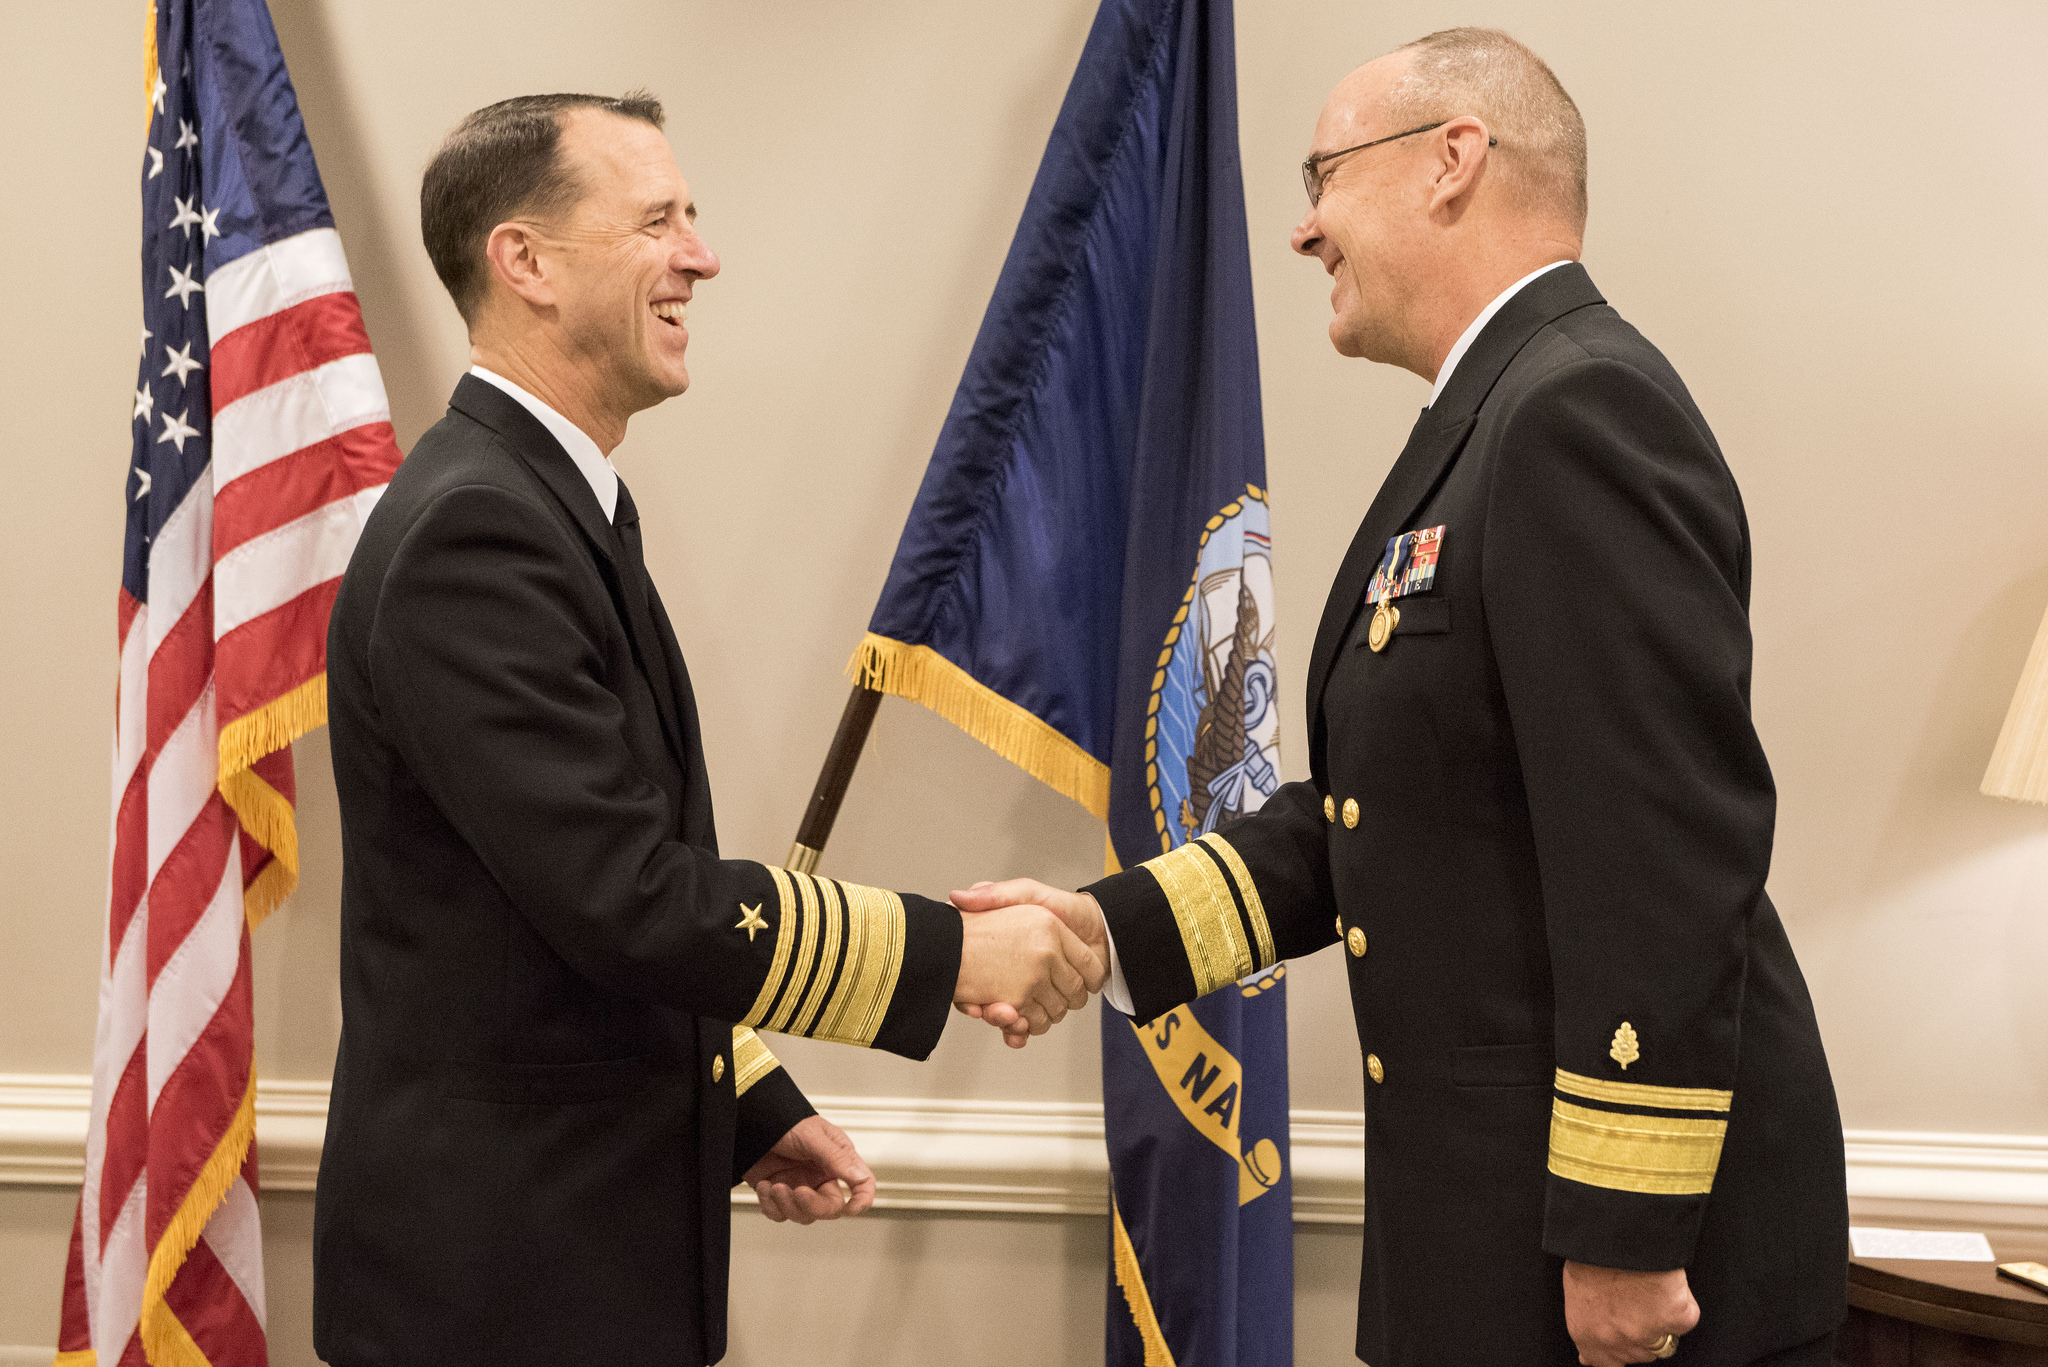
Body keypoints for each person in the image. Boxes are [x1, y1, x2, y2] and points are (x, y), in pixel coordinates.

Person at [958, 29, 1847, 1367]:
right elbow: (1383, 813)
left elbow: (1658, 847)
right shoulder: (1493, 418)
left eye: (1324, 174)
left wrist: (1625, 1223)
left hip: (1602, 1264)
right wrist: (1104, 924)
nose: (1306, 228)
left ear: (1452, 162)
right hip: (1491, 1234)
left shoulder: (1575, 410)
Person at [313, 92, 1104, 1367]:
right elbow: (622, 893)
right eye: (659, 221)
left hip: (563, 1265)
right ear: (524, 262)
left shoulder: (544, 503)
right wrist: (950, 948)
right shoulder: (481, 531)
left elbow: (537, 929)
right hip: (502, 1297)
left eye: (695, 218)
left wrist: (739, 1101)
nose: (702, 254)